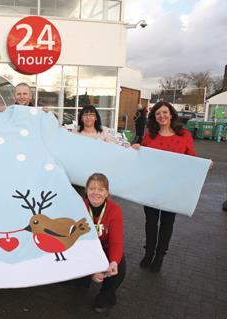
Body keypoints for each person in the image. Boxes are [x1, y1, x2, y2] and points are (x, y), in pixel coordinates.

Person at [132, 101, 195, 272]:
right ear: (154, 117)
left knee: (167, 223)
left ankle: (160, 256)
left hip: (173, 188)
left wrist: (205, 165)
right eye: (158, 113)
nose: (162, 116)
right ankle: (149, 252)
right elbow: (142, 159)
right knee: (151, 222)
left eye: (165, 112)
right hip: (152, 186)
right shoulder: (150, 136)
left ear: (172, 114)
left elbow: (192, 160)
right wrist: (137, 149)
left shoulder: (184, 135)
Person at [83, 173, 125, 313]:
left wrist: (113, 262)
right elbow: (75, 241)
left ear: (107, 192)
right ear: (86, 190)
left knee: (118, 266)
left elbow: (116, 242)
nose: (96, 192)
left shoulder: (114, 210)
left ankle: (105, 297)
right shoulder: (79, 206)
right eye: (92, 188)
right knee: (76, 282)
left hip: (105, 247)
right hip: (84, 247)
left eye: (101, 189)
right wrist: (90, 270)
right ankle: (80, 282)